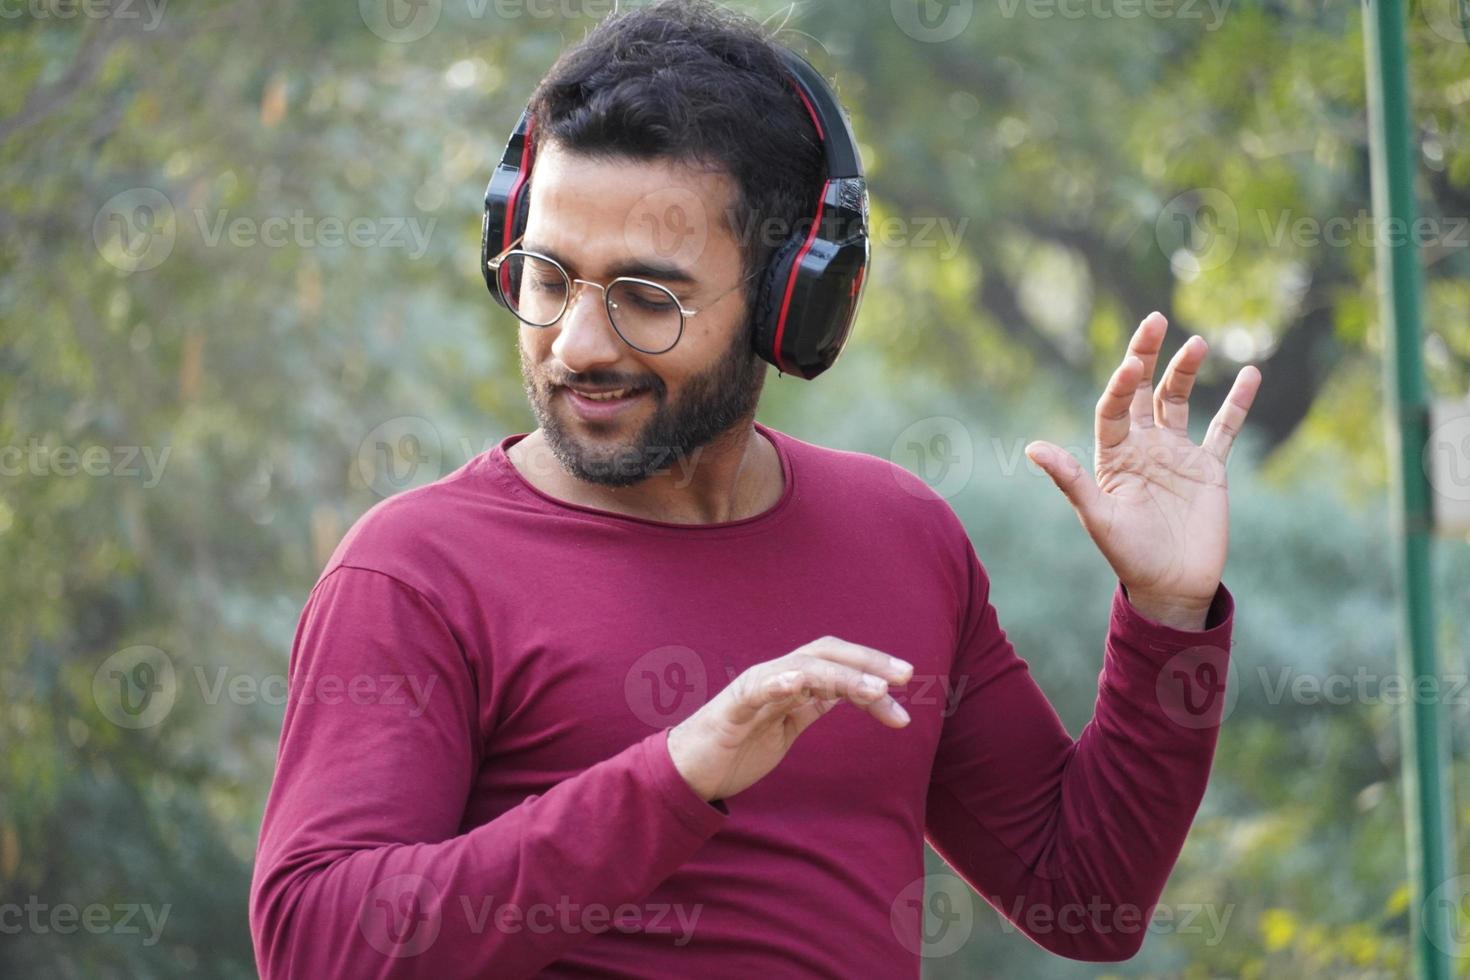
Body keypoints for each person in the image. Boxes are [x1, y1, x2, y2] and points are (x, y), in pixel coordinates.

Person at [248, 1, 1263, 976]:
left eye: (648, 297)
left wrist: (1167, 612)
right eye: (549, 277)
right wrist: (677, 773)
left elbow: (1083, 892)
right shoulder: (415, 571)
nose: (578, 343)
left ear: (795, 299)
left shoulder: (902, 535)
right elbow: (313, 943)